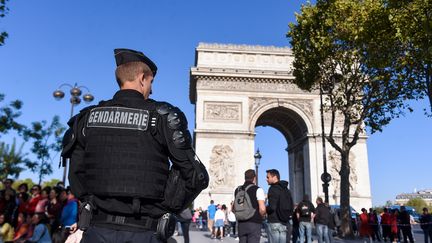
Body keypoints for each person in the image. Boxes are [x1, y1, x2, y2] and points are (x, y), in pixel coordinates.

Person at [63, 48, 205, 243]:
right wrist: (163, 207)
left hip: (97, 230)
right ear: (142, 78)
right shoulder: (162, 116)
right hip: (145, 231)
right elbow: (195, 175)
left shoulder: (86, 118)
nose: (152, 89)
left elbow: (76, 175)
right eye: (151, 82)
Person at [233, 169, 266, 243]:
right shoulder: (258, 190)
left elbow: (233, 207)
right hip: (254, 223)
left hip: (241, 224)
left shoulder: (237, 190)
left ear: (245, 177)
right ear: (254, 178)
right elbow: (262, 208)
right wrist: (262, 216)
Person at [265, 169, 293, 243]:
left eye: (268, 177)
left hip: (274, 221)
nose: (266, 179)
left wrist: (265, 209)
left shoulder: (272, 189)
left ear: (274, 177)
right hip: (284, 221)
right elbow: (291, 204)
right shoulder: (286, 189)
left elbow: (272, 207)